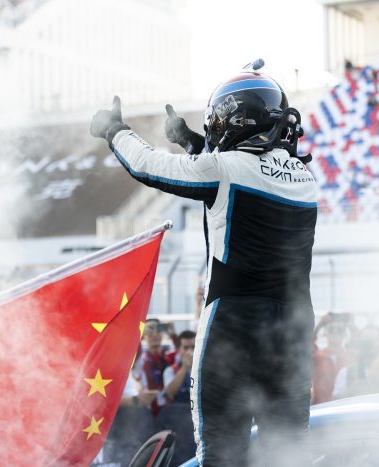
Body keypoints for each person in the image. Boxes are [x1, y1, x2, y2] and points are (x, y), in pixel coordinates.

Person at [90, 65, 318, 466]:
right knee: (288, 455)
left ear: (236, 120)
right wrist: (192, 143)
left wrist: (115, 131)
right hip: (294, 329)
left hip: (235, 323)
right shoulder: (304, 177)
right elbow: (246, 171)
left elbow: (148, 166)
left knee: (222, 453)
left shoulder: (225, 170)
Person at [311, 312, 352, 404]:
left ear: (345, 334)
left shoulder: (351, 356)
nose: (335, 332)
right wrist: (319, 326)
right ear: (325, 333)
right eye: (331, 329)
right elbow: (305, 346)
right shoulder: (316, 357)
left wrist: (351, 325)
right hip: (320, 407)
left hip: (345, 407)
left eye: (340, 330)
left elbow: (361, 347)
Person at [132, 318, 169, 416]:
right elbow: (134, 349)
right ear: (144, 335)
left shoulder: (169, 356)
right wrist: (139, 334)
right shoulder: (139, 358)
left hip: (167, 411)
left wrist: (173, 335)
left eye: (158, 330)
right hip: (144, 410)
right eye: (150, 331)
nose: (155, 334)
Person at [163, 330, 195, 404]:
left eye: (193, 347)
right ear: (179, 349)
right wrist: (184, 368)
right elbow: (169, 393)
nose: (190, 352)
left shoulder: (205, 369)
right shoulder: (170, 370)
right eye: (186, 348)